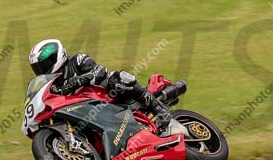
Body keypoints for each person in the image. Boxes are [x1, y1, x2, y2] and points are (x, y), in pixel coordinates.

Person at [28, 38, 174, 133]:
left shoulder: (77, 60)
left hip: (108, 95)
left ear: (55, 56)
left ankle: (160, 110)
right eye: (37, 67)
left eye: (43, 65)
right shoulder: (54, 85)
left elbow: (100, 71)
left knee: (119, 79)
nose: (41, 70)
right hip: (91, 112)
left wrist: (81, 80)